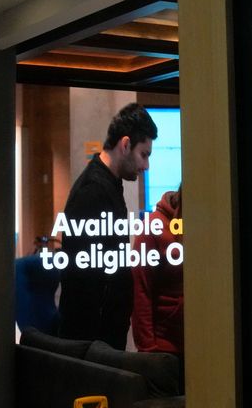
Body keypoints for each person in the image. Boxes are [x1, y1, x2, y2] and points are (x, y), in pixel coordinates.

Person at [57, 103, 156, 349]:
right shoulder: (93, 191)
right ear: (125, 145)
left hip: (101, 340)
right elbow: (86, 283)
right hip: (94, 342)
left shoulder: (108, 184)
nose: (146, 166)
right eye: (144, 155)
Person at [132, 187, 184, 364]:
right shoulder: (153, 227)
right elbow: (140, 291)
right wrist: (148, 349)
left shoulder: (200, 225)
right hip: (165, 347)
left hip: (201, 340)